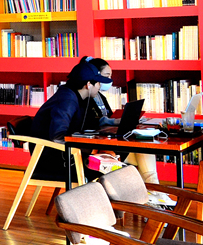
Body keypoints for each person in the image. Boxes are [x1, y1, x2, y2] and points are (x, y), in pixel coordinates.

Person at [25, 59, 111, 182]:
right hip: (52, 160)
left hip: (61, 155)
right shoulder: (67, 100)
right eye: (98, 83)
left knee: (108, 164)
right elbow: (57, 137)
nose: (100, 86)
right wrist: (85, 148)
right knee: (108, 168)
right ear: (88, 84)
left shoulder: (74, 96)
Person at [85, 56, 159, 184]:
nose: (110, 80)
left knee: (144, 150)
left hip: (112, 142)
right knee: (143, 151)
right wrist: (115, 122)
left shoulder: (100, 96)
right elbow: (93, 123)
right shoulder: (86, 98)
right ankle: (154, 191)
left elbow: (109, 116)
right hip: (102, 148)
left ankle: (154, 191)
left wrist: (122, 121)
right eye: (106, 76)